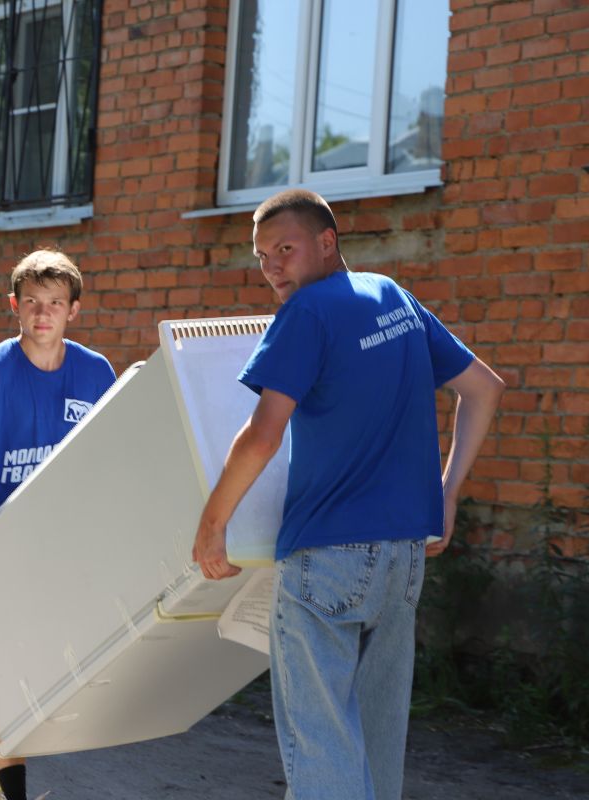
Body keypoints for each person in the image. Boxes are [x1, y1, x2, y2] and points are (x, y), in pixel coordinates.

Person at [193, 189, 504, 800]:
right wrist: (447, 491)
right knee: (375, 746)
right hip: (402, 561)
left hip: (328, 559)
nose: (273, 267)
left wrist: (212, 524)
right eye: (262, 257)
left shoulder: (307, 314)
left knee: (323, 750)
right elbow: (485, 388)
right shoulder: (393, 297)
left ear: (327, 242)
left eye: (286, 248)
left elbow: (261, 434)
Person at [0, 249, 116, 800]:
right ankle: (8, 782)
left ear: (73, 311)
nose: (43, 313)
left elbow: (104, 461)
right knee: (5, 687)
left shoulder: (96, 372)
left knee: (43, 688)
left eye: (55, 303)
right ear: (14, 305)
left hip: (63, 551)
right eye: (32, 302)